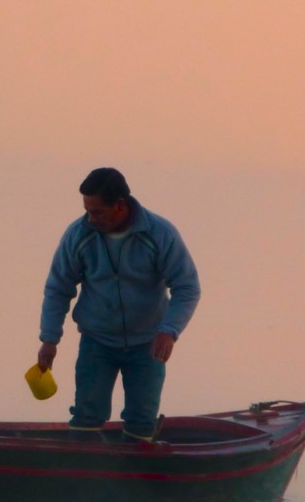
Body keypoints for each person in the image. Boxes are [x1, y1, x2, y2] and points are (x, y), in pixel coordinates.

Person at [37, 167, 201, 440]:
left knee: (141, 421)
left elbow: (187, 287)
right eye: (87, 211)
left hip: (148, 345)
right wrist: (49, 339)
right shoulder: (78, 235)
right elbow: (58, 288)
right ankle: (84, 478)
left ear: (120, 206)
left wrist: (169, 330)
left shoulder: (159, 234)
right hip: (96, 341)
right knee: (86, 416)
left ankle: (135, 479)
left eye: (97, 212)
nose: (90, 218)